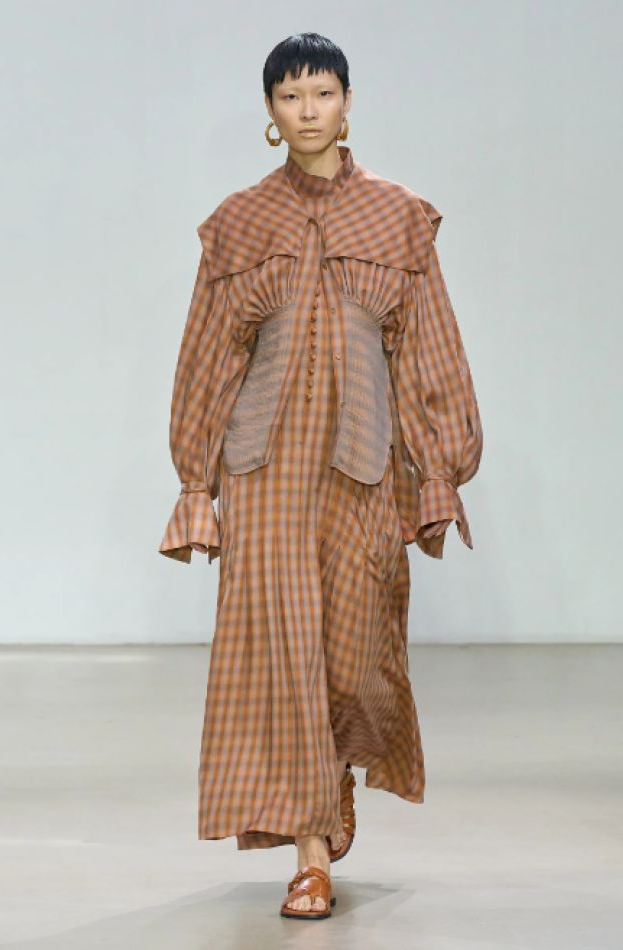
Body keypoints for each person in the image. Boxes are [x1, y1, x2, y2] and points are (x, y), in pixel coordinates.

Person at [158, 32, 483, 921]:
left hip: (361, 468)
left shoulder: (398, 216)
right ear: (269, 112)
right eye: (290, 96)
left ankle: (332, 775)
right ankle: (309, 852)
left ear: (347, 102)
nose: (308, 111)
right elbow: (207, 357)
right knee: (284, 655)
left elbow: (427, 349)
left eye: (322, 93)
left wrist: (439, 468)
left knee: (356, 656)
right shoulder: (238, 223)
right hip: (264, 472)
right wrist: (196, 483)